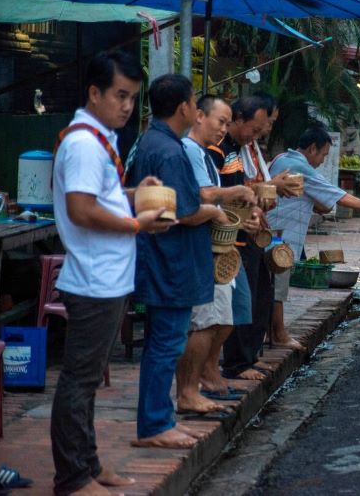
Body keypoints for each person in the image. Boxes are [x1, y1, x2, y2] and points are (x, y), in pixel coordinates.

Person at [50, 51, 174, 496]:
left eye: (133, 98)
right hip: (93, 279)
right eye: (120, 96)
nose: (126, 106)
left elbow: (98, 196)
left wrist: (130, 193)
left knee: (87, 380)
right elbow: (81, 210)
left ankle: (89, 463)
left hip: (107, 277)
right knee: (79, 382)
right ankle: (73, 477)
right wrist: (138, 224)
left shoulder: (99, 137)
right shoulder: (85, 143)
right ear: (94, 93)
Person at [127, 74, 229, 449]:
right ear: (185, 107)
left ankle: (161, 419)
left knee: (164, 341)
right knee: (166, 343)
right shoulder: (169, 150)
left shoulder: (154, 140)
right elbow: (183, 212)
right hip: (169, 261)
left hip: (163, 257)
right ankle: (155, 425)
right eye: (193, 103)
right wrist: (215, 212)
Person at [176, 95, 257, 413]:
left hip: (214, 247)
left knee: (220, 318)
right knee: (206, 321)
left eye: (226, 122)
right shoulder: (190, 150)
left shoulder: (202, 154)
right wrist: (233, 193)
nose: (224, 128)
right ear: (197, 116)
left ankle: (197, 384)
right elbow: (202, 195)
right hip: (201, 248)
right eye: (220, 121)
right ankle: (190, 389)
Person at [268, 126, 360, 327]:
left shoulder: (281, 159)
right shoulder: (300, 167)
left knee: (274, 287)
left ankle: (275, 333)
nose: (323, 160)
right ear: (313, 149)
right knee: (277, 289)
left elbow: (319, 202)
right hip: (280, 235)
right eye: (323, 155)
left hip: (275, 233)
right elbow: (337, 195)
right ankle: (277, 334)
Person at [208, 95, 282, 382]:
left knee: (256, 297)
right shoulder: (217, 150)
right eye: (254, 129)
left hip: (245, 233)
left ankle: (249, 357)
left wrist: (252, 208)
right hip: (228, 239)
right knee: (234, 306)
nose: (256, 135)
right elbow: (213, 193)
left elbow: (240, 191)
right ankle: (235, 363)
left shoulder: (237, 151)